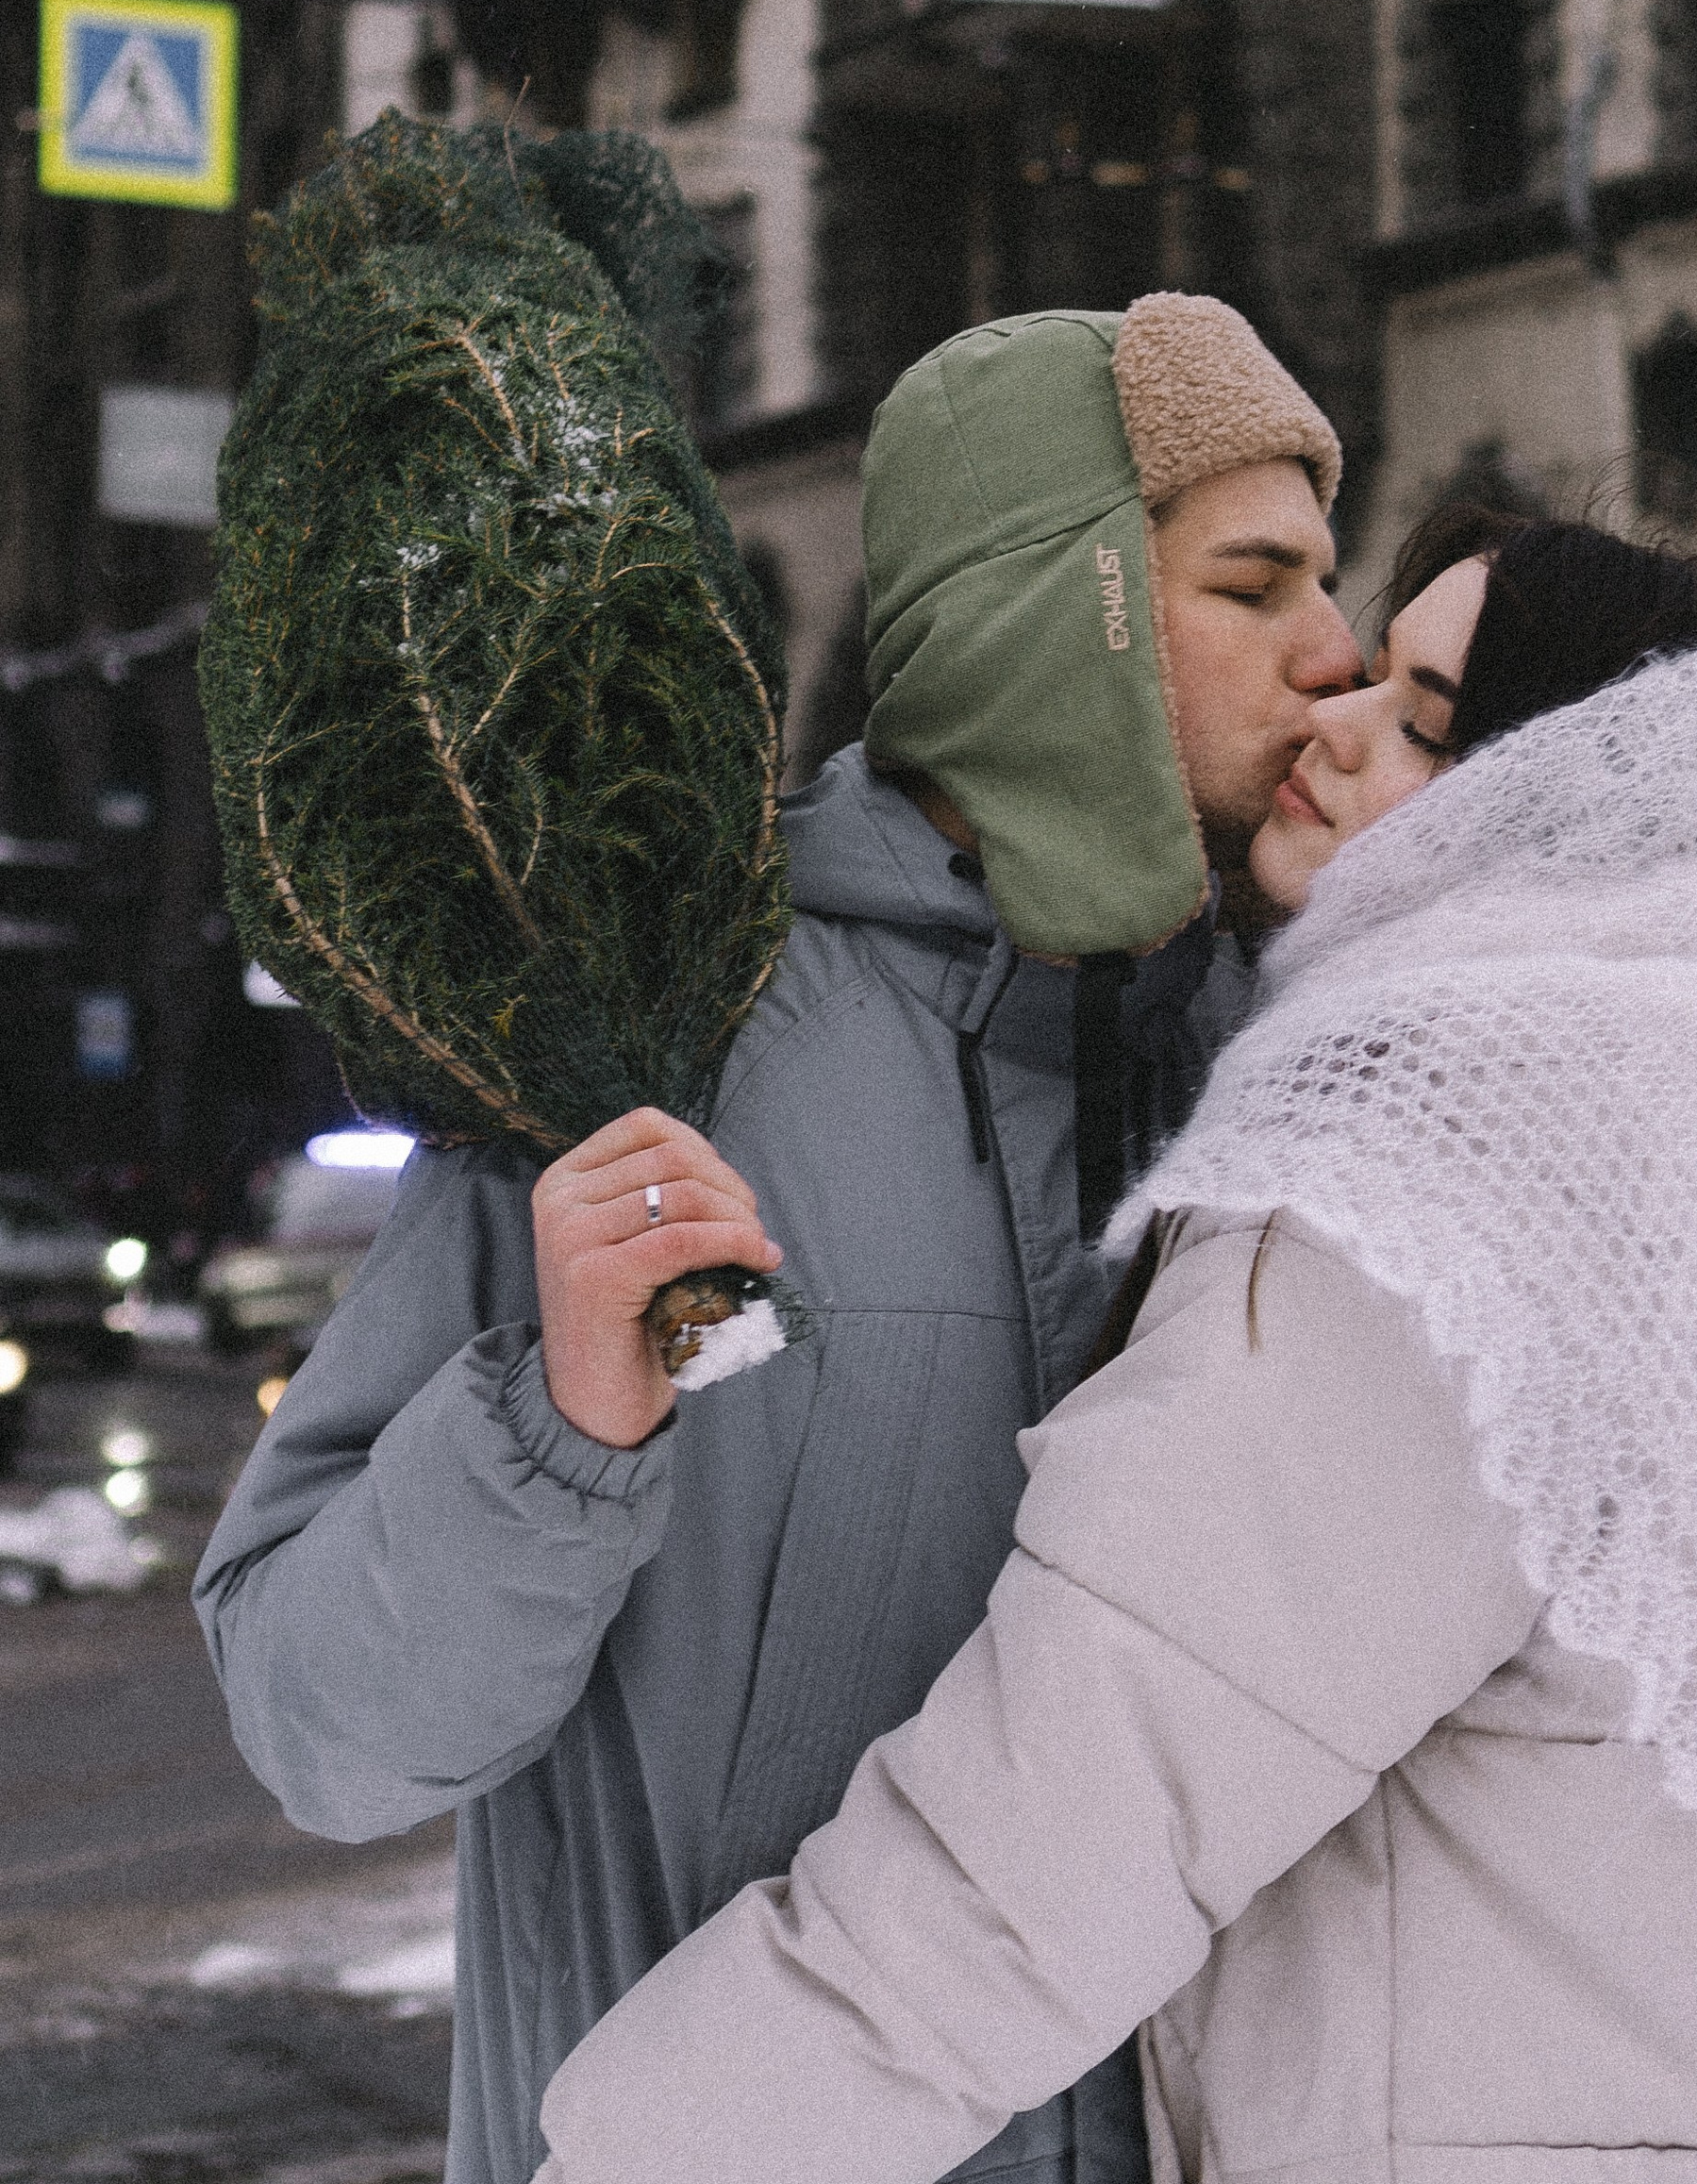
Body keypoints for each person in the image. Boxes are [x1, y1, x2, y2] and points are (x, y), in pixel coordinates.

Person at [534, 508, 1697, 2184]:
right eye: (1372, 674)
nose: (1335, 720)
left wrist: (641, 2152)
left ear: (1570, 800)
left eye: (1430, 722)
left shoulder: (1451, 1148)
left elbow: (1065, 1826)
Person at [196, 293, 1358, 2184]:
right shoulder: (652, 1037)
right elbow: (325, 1735)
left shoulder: (1292, 1066)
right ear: (1050, 618)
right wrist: (558, 1433)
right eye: (1254, 588)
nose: (1335, 651)